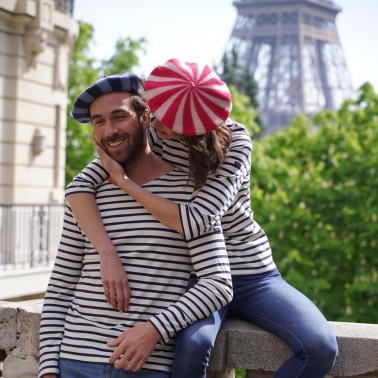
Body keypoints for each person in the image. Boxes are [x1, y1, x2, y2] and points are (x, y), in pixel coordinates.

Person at [66, 59, 338, 378]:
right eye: (154, 117)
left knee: (321, 347)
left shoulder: (236, 142)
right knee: (195, 344)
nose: (155, 128)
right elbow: (79, 187)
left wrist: (126, 184)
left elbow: (197, 221)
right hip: (200, 278)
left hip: (253, 275)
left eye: (165, 124)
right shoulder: (150, 134)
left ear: (194, 128)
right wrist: (105, 252)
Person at [38, 72, 233, 378]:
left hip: (146, 367)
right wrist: (48, 369)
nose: (109, 130)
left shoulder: (189, 191)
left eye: (119, 117)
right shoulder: (87, 195)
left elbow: (218, 285)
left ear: (146, 117)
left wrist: (155, 329)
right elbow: (61, 287)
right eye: (98, 121)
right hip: (74, 362)